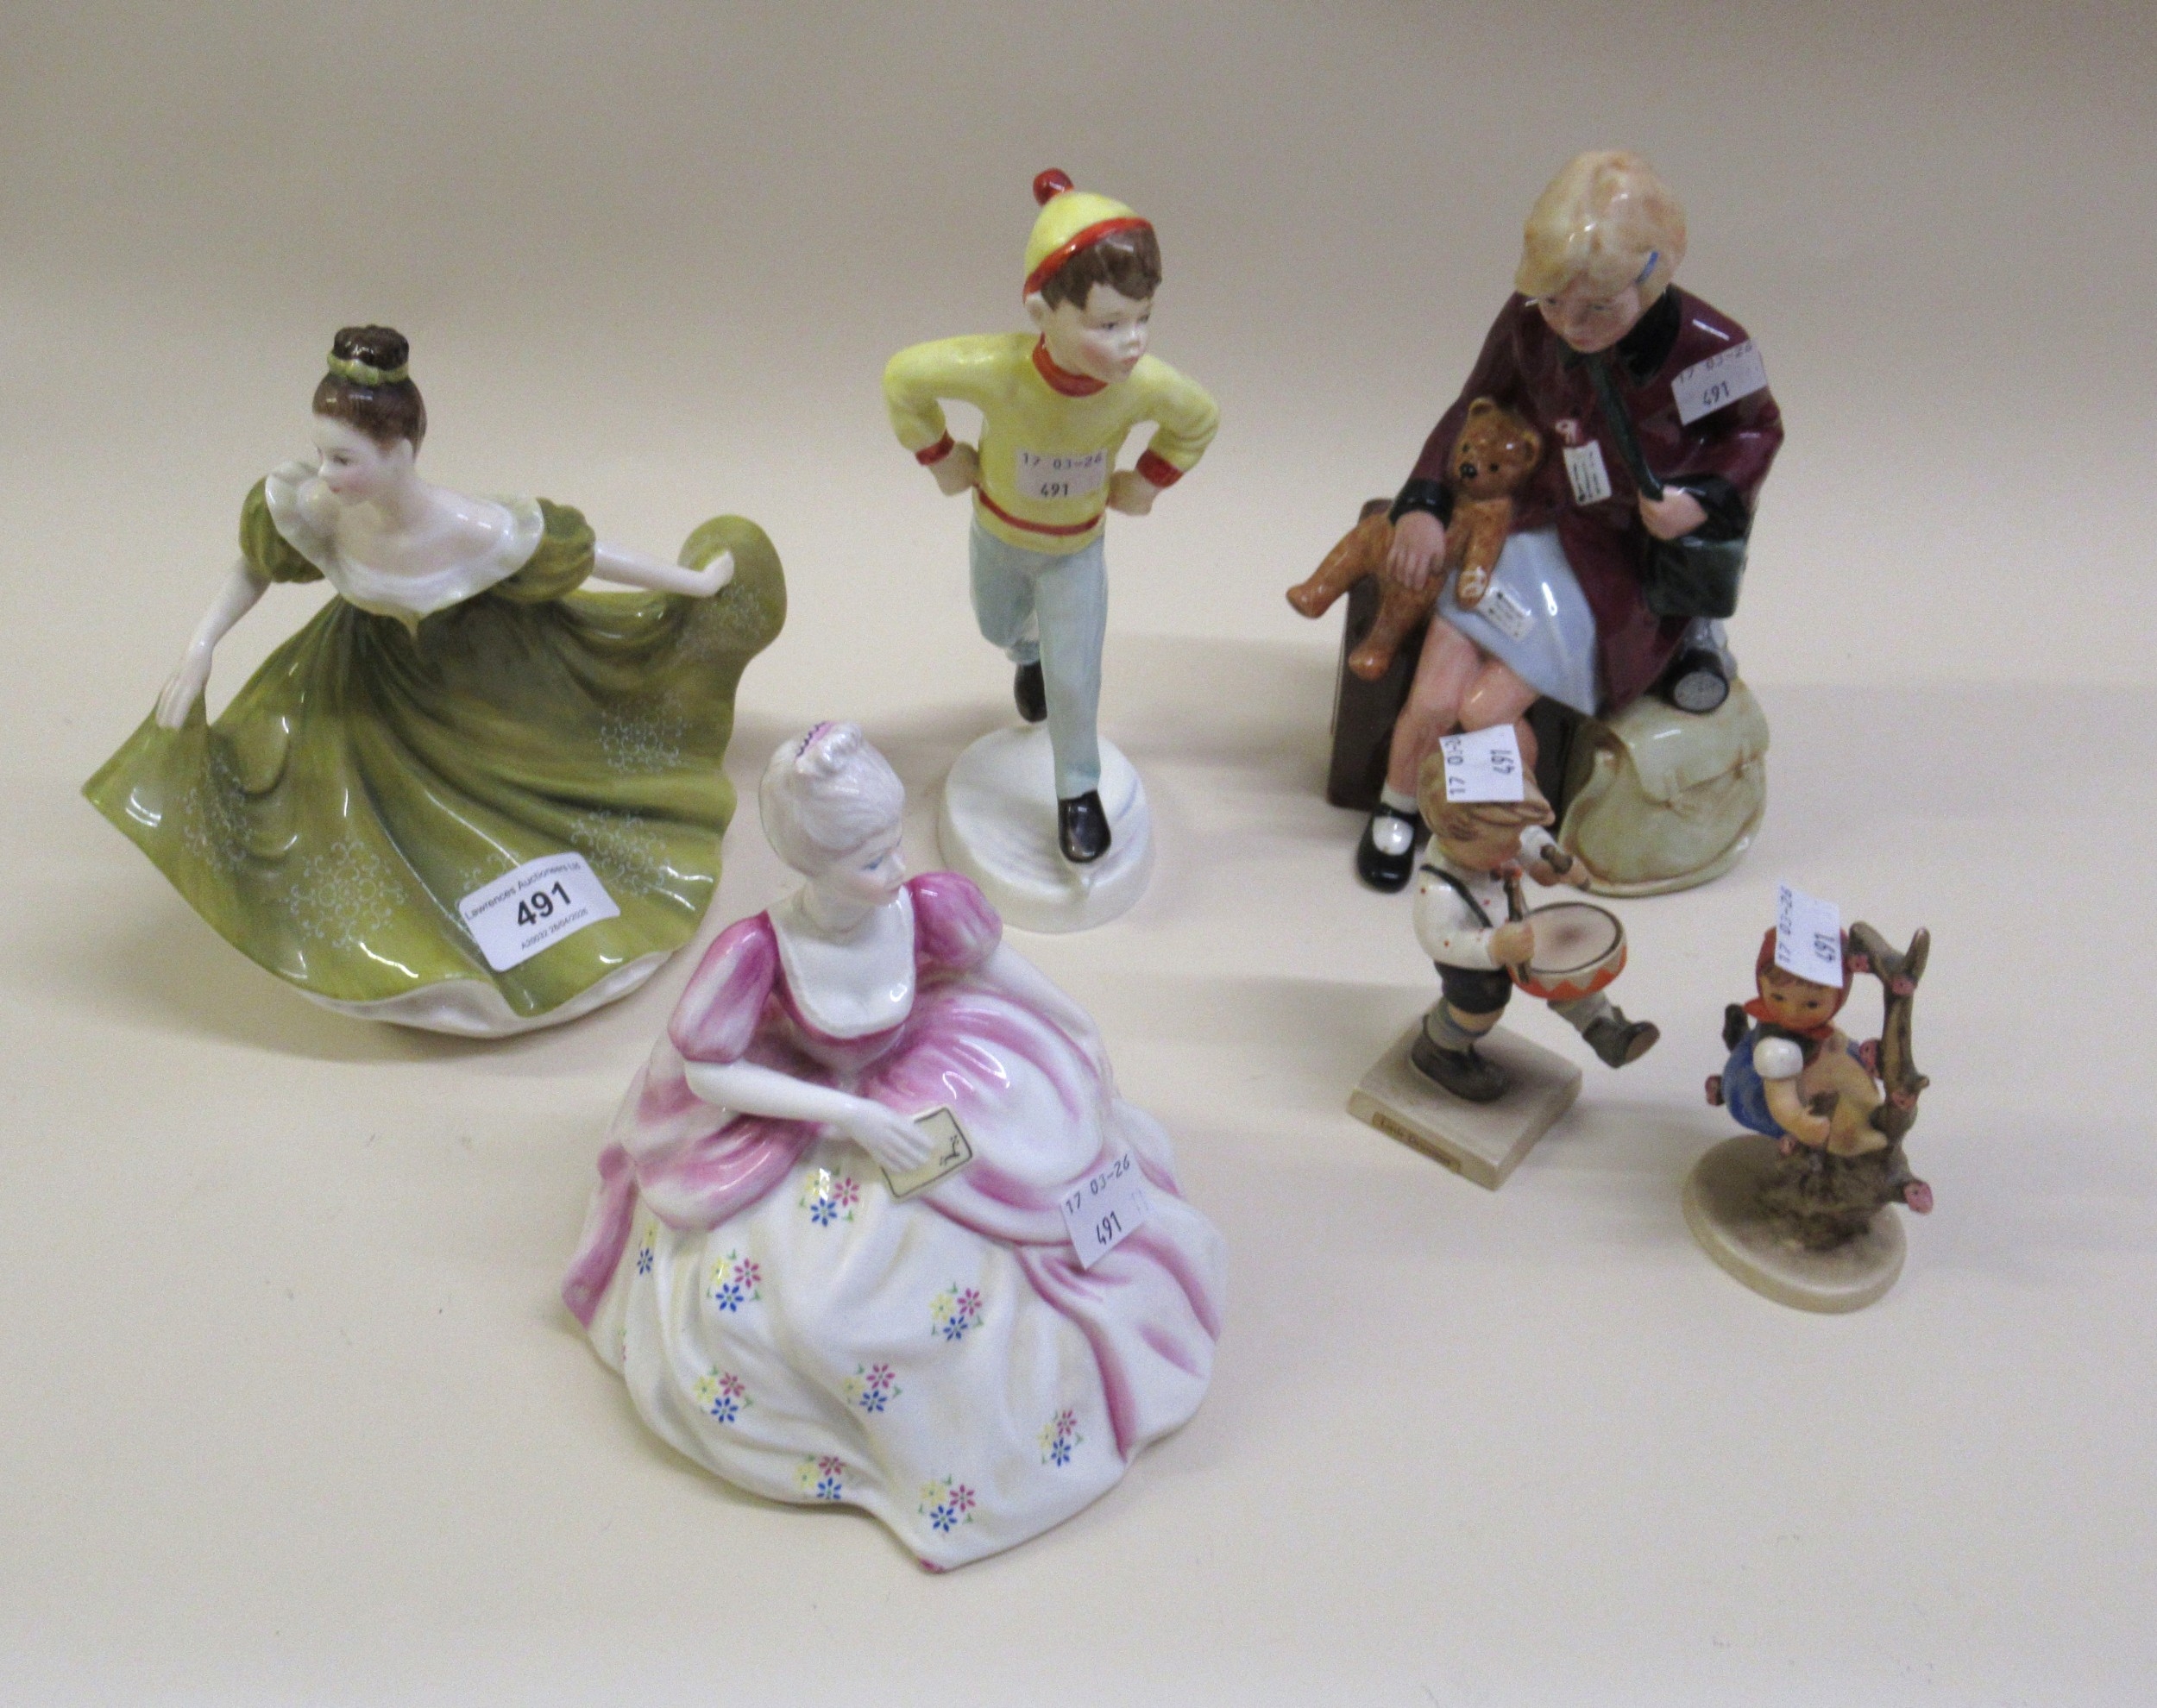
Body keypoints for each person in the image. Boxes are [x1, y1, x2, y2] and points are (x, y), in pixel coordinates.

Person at [561, 724, 1225, 1569]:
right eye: (871, 860)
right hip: (819, 1119)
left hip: (934, 1076)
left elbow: (994, 968)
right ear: (811, 863)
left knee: (1052, 1168)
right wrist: (846, 1116)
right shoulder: (758, 951)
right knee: (822, 1308)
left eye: (893, 844)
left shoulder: (923, 906)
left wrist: (1076, 1024)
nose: (897, 869)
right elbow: (709, 1071)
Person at [84, 326, 783, 1033]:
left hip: (477, 695)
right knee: (313, 811)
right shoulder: (325, 508)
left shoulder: (472, 528)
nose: (326, 474)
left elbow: (590, 555)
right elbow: (257, 565)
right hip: (357, 693)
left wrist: (692, 584)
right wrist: (202, 644)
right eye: (322, 454)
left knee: (505, 822)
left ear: (399, 452)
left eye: (344, 459)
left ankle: (521, 938)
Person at [1356, 150, 1784, 889]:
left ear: (1652, 273)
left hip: (1613, 561)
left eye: (1596, 308)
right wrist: (1423, 502)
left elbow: (1756, 431)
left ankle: (1505, 825)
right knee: (1433, 696)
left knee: (1485, 708)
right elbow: (1472, 408)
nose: (1570, 324)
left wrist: (1699, 497)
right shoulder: (1530, 324)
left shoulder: (1710, 349)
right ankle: (1398, 805)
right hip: (1516, 525)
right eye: (1555, 303)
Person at [883, 170, 1219, 864]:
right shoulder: (997, 370)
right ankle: (1025, 654)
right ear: (1042, 312)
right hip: (998, 534)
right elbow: (904, 379)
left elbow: (1198, 419)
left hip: (1075, 551)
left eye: (1143, 318)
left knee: (1076, 676)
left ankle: (1077, 790)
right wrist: (942, 457)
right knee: (996, 624)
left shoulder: (1140, 386)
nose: (1132, 342)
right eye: (1108, 324)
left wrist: (1146, 483)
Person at [1411, 764, 1657, 1102]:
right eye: (1503, 845)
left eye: (1516, 836)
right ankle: (1440, 1049)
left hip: (1517, 931)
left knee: (1562, 968)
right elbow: (1440, 939)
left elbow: (1529, 840)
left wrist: (1553, 865)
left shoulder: (1499, 839)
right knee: (1481, 1007)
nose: (1515, 848)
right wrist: (1494, 947)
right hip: (1473, 957)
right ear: (1457, 838)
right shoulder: (1437, 889)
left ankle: (1604, 1029)